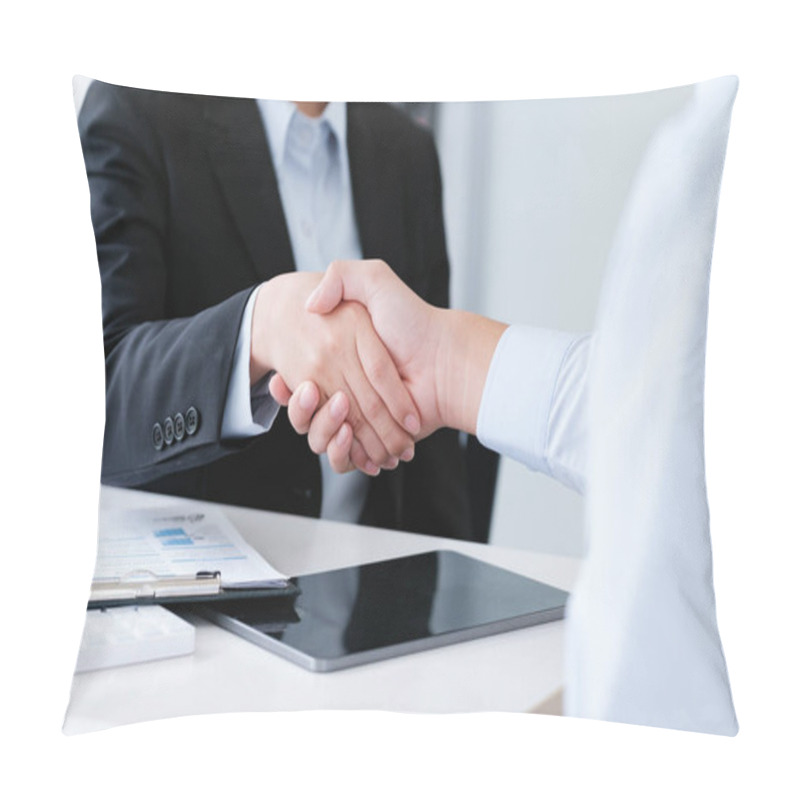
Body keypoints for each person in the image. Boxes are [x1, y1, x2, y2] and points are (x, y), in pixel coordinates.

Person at [78, 82, 472, 540]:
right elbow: (99, 390)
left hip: (374, 590)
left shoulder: (407, 150)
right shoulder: (133, 106)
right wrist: (257, 326)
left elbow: (435, 446)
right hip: (201, 587)